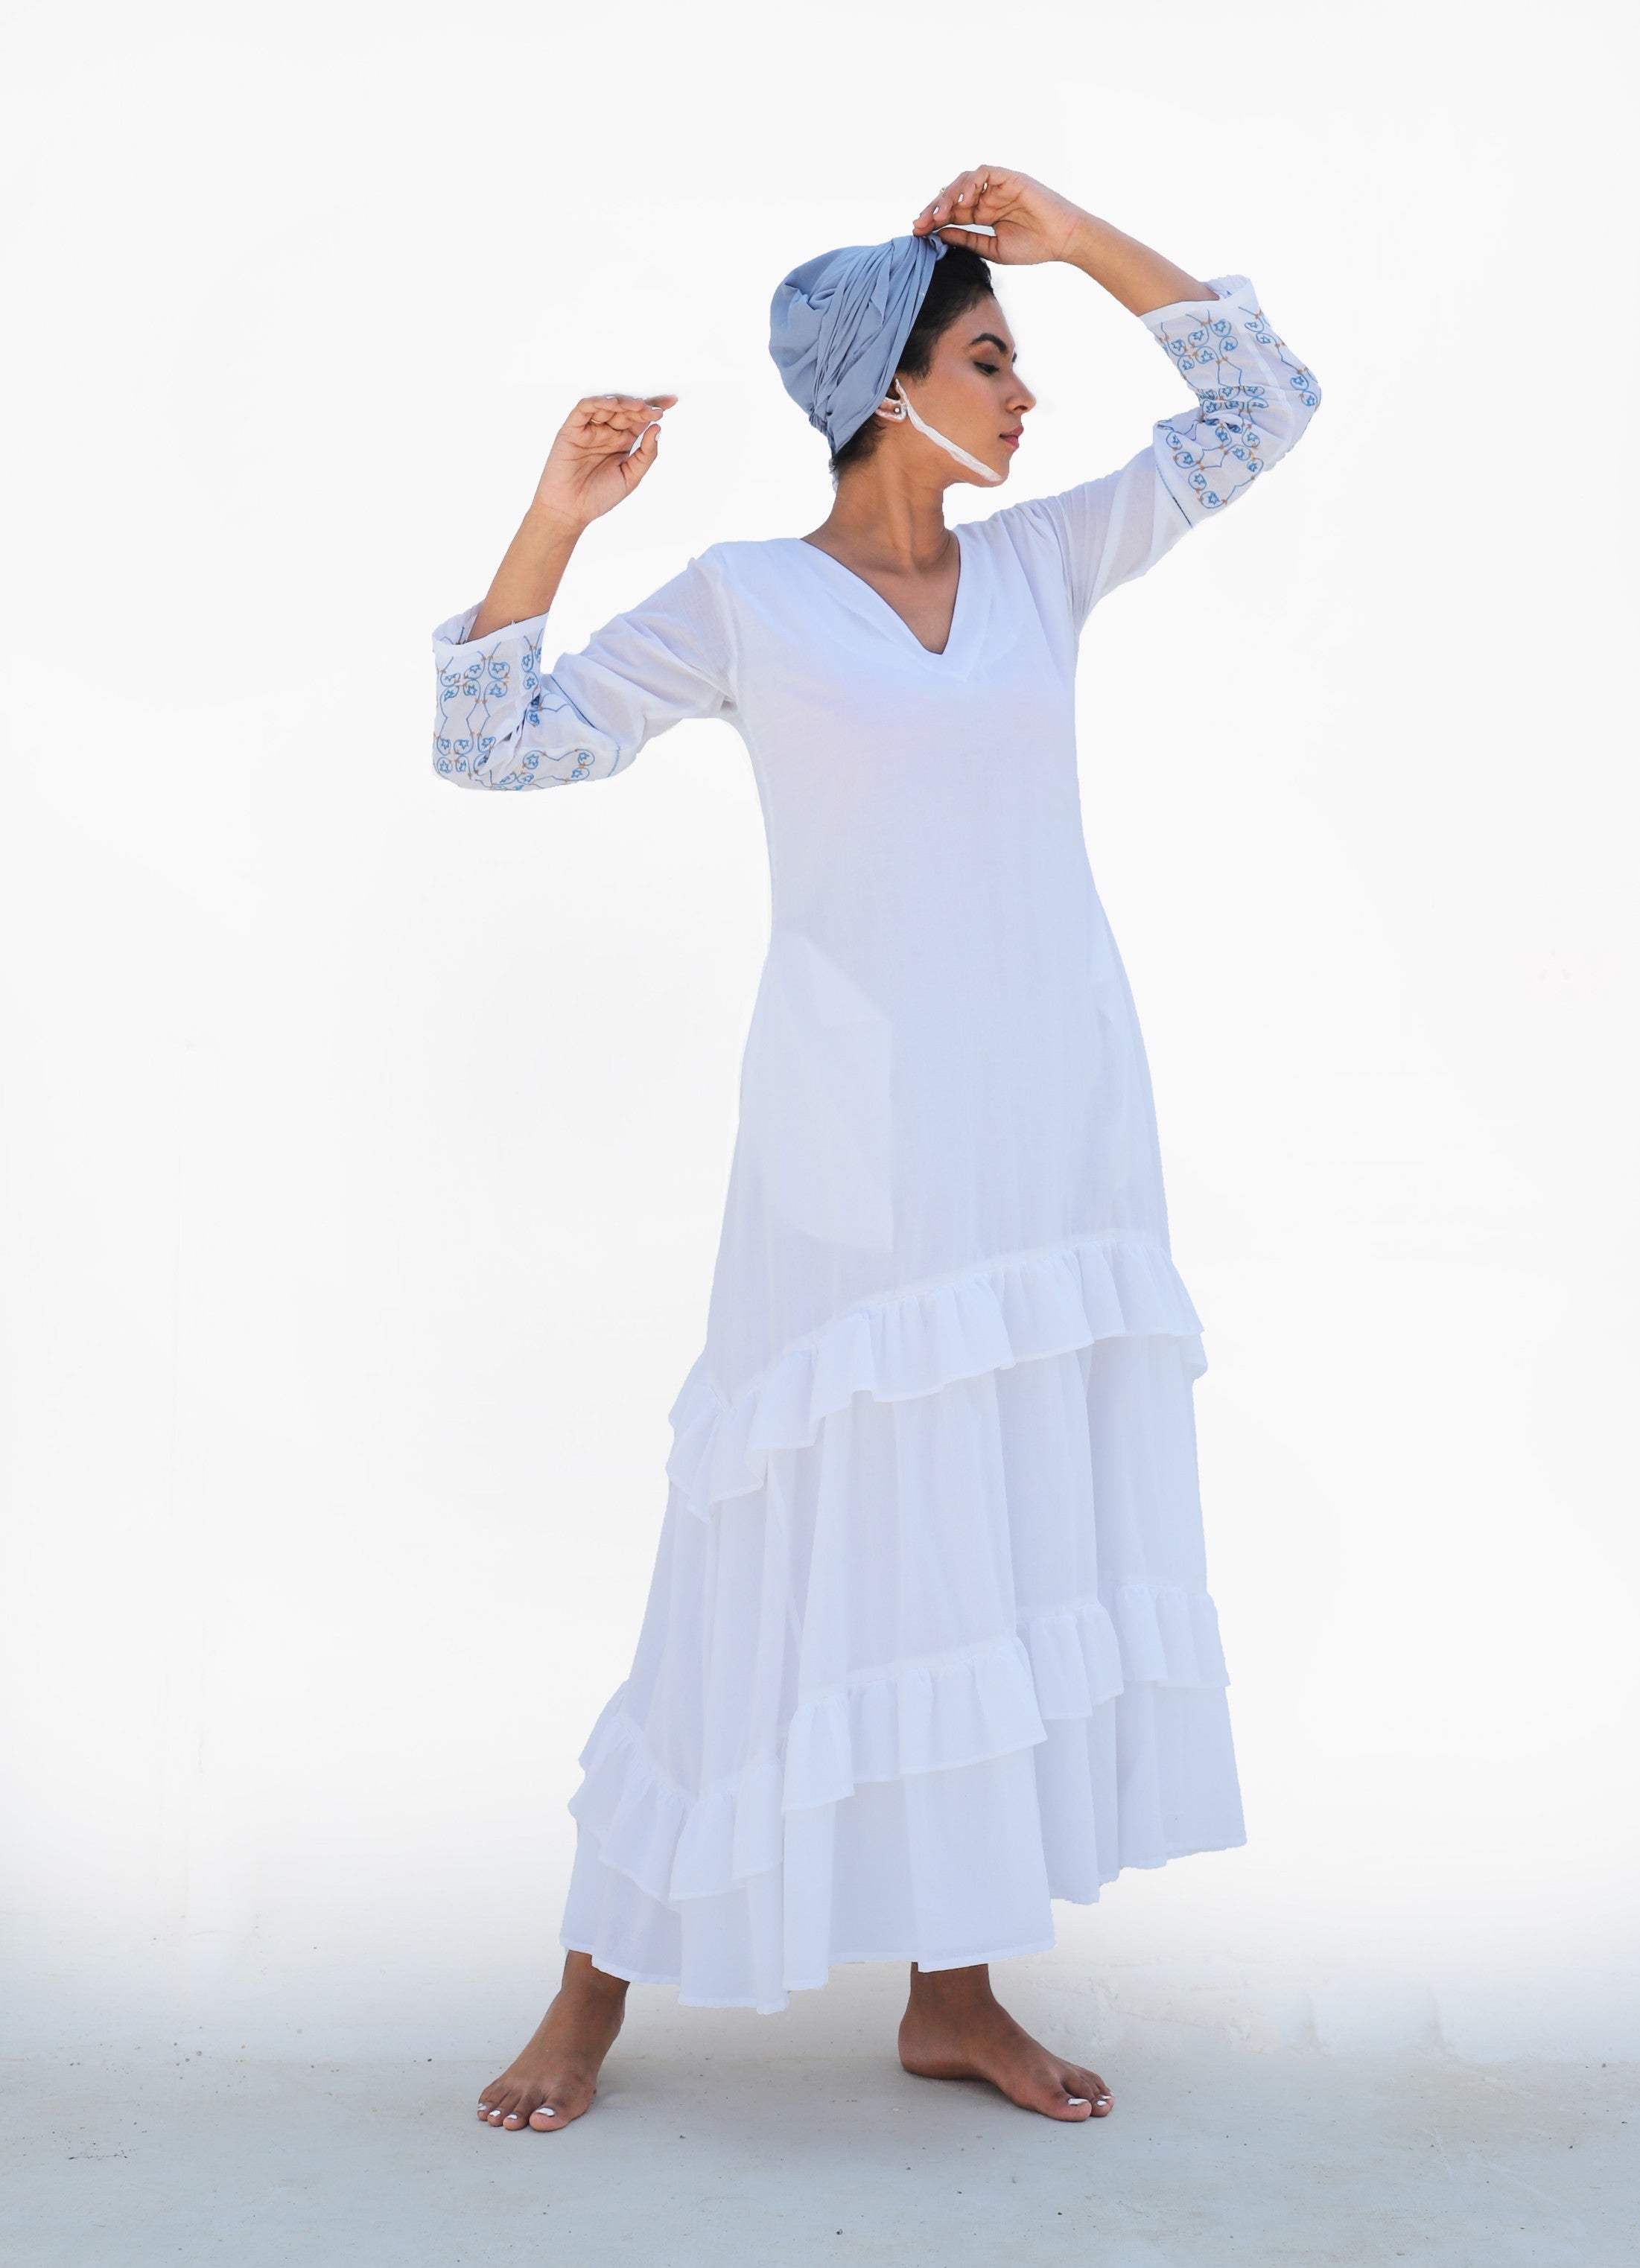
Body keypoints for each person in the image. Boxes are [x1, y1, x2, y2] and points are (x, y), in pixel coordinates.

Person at [433, 166, 1319, 2130]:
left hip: (1052, 1126)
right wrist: (557, 521)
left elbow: (1264, 406)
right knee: (767, 1533)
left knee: (986, 1528)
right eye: (992, 358)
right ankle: (588, 1990)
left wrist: (1074, 239)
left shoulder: (1044, 564)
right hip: (851, 1151)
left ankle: (953, 1993)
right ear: (887, 388)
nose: (1028, 394)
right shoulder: (744, 602)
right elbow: (493, 742)